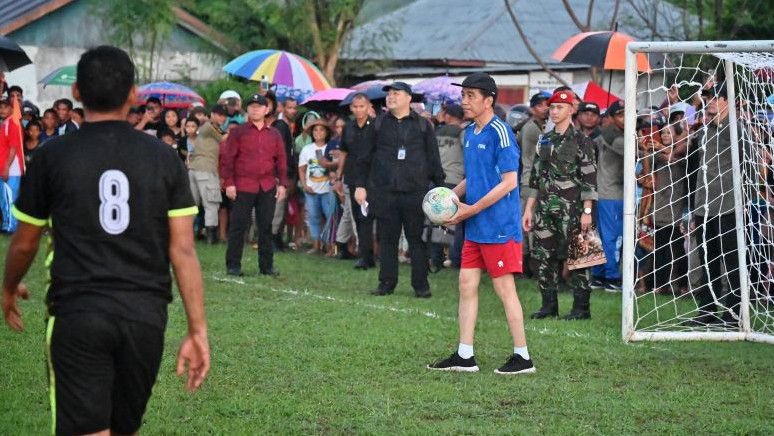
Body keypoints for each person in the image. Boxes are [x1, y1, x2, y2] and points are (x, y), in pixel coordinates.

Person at [1, 45, 209, 436]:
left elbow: (26, 242)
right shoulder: (164, 158)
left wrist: (8, 288)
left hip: (78, 312)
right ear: (134, 94)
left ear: (76, 92)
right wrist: (197, 330)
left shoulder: (52, 156)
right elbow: (182, 250)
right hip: (145, 316)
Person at [427, 72, 534, 375]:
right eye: (463, 96)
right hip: (474, 225)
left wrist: (471, 208)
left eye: (471, 96)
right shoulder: (470, 132)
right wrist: (449, 196)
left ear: (489, 100)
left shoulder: (501, 133)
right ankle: (465, 355)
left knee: (504, 289)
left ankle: (523, 357)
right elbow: (474, 177)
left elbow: (509, 183)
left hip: (498, 226)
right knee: (466, 284)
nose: (465, 101)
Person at [354, 82, 445, 298]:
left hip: (415, 192)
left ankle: (421, 286)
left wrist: (440, 188)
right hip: (385, 192)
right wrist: (360, 185)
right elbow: (363, 158)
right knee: (387, 240)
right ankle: (386, 283)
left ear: (408, 98)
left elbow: (433, 159)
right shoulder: (377, 125)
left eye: (396, 94)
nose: (391, 97)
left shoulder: (423, 125)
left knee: (416, 240)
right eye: (389, 94)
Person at [523, 90, 598, 320]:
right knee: (544, 256)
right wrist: (529, 208)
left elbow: (589, 178)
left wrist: (587, 211)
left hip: (573, 208)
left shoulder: (582, 141)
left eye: (559, 108)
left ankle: (581, 308)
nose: (554, 112)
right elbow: (536, 176)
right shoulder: (544, 140)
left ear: (571, 110)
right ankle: (548, 305)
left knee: (579, 256)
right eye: (552, 107)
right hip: (545, 209)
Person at [684, 85, 743, 325]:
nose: (709, 103)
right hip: (703, 207)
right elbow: (695, 171)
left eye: (715, 98)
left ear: (729, 101)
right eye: (707, 99)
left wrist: (743, 201)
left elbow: (748, 169)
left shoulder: (738, 130)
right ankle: (707, 311)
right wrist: (691, 206)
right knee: (706, 261)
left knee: (732, 262)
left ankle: (735, 313)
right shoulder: (703, 133)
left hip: (730, 206)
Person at [221, 93, 287, 277]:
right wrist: (229, 183)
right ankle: (233, 265)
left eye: (259, 106)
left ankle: (267, 266)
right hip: (243, 185)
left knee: (266, 227)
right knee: (238, 226)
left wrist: (282, 184)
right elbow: (227, 159)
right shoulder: (238, 132)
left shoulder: (274, 134)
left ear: (267, 110)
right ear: (247, 109)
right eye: (251, 106)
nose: (255, 109)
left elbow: (281, 160)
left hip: (267, 186)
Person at [589, 100, 625, 291]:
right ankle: (612, 277)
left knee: (602, 236)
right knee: (613, 237)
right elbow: (639, 151)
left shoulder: (602, 136)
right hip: (612, 194)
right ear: (610, 118)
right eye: (620, 114)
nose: (625, 118)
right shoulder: (617, 138)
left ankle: (598, 275)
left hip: (603, 192)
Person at [339, 93, 376, 270]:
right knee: (358, 217)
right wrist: (339, 175)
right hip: (352, 176)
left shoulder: (376, 126)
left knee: (368, 217)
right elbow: (343, 152)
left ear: (368, 107)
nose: (359, 110)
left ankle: (369, 255)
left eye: (362, 106)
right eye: (356, 106)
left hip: (372, 178)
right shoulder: (348, 127)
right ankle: (364, 255)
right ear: (351, 108)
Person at [429, 103, 465, 270]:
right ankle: (456, 258)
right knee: (456, 223)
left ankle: (435, 258)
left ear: (449, 116)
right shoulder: (463, 133)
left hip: (437, 180)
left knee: (437, 221)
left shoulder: (436, 133)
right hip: (457, 181)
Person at [517, 92, 550, 277]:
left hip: (535, 179)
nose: (546, 108)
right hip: (531, 180)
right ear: (532, 108)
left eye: (548, 104)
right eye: (541, 105)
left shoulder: (536, 125)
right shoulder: (532, 129)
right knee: (529, 223)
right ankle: (526, 265)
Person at [189, 104, 227, 244]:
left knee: (192, 205)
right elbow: (224, 138)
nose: (222, 117)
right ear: (213, 114)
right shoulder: (210, 127)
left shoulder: (207, 127)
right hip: (205, 169)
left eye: (224, 115)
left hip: (194, 169)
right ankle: (212, 238)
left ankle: (186, 234)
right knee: (211, 203)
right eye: (220, 114)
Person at [298, 119, 335, 255]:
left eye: (321, 130)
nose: (318, 132)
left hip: (327, 189)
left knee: (329, 216)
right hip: (311, 189)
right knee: (313, 217)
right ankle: (316, 245)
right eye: (315, 130)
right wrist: (304, 184)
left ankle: (330, 245)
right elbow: (302, 169)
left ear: (326, 132)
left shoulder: (330, 148)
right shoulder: (307, 149)